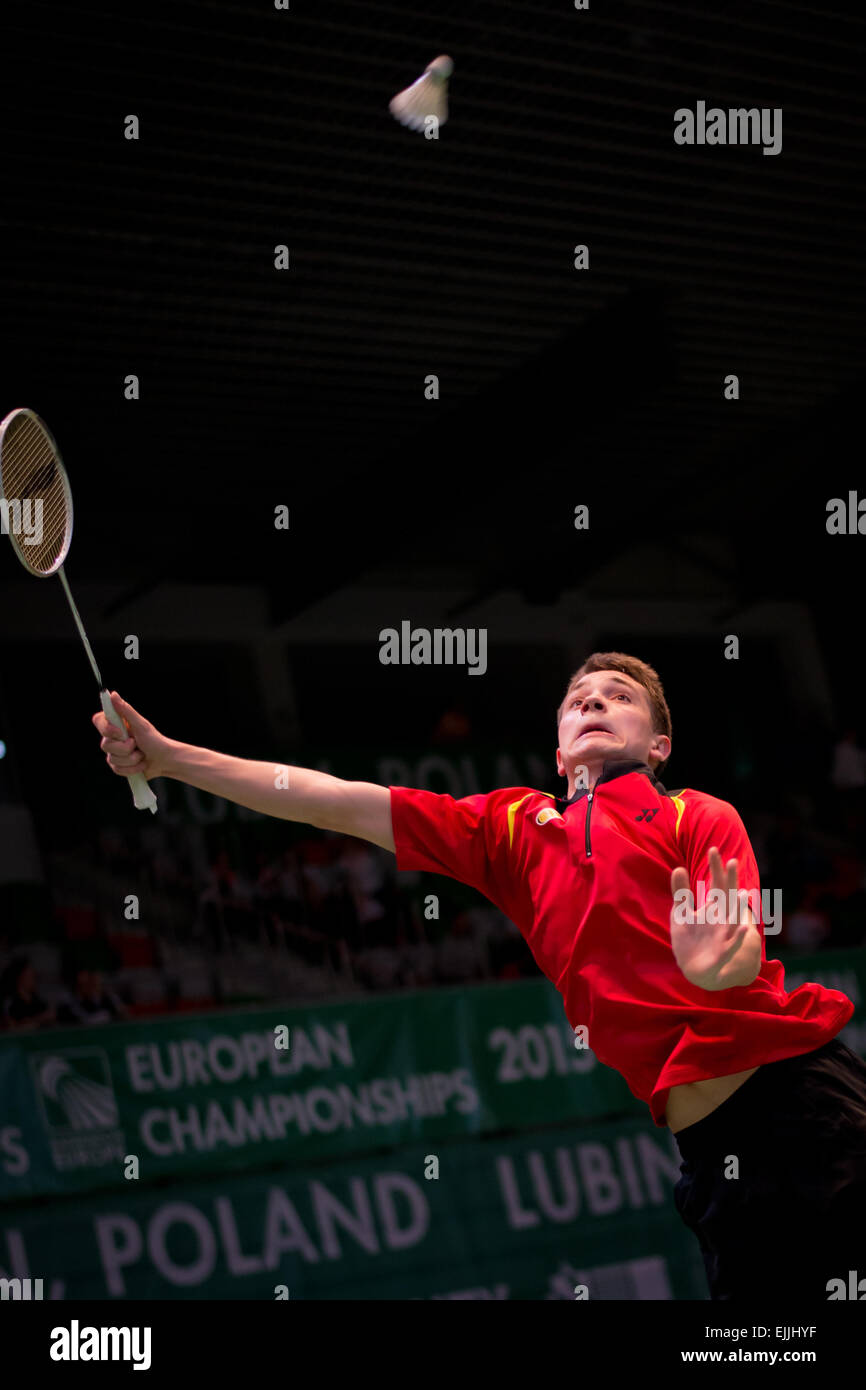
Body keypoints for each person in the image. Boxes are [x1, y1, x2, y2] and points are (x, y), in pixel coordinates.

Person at [92, 652, 866, 1302]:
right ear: (559, 752)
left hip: (803, 1106)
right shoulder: (508, 832)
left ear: (659, 744)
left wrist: (714, 968)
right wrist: (168, 758)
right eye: (578, 700)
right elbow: (332, 802)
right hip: (711, 1158)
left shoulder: (696, 814)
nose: (594, 700)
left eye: (619, 698)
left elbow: (736, 951)